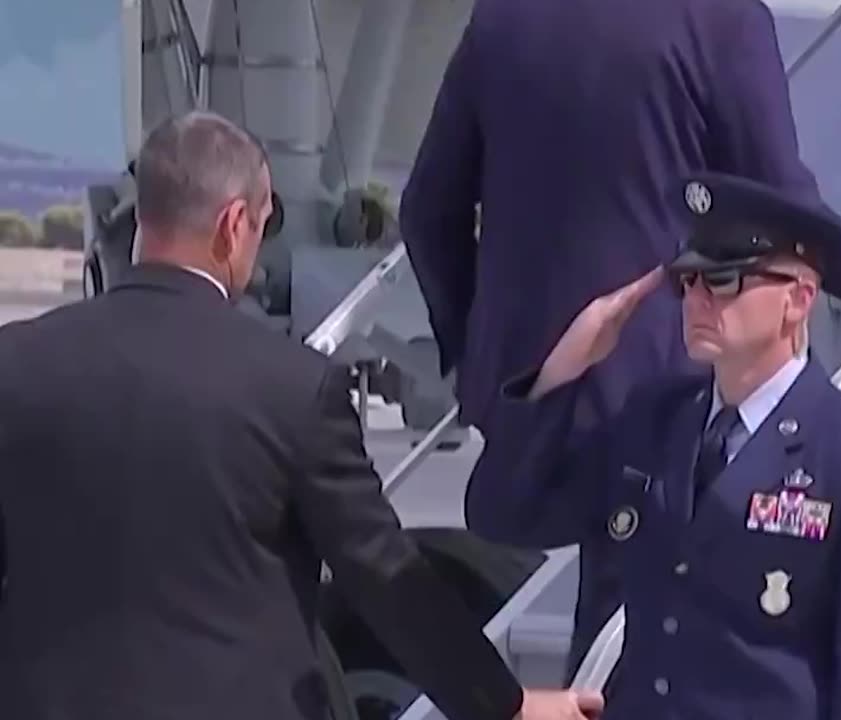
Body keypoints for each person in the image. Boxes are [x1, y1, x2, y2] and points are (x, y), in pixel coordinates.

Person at [399, 0, 841, 683]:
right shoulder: (717, 17)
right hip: (673, 402)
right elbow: (782, 210)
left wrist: (486, 371)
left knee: (614, 658)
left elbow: (430, 211)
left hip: (551, 402)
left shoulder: (506, 15)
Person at [0, 111, 600, 720]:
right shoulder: (293, 388)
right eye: (260, 227)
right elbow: (383, 575)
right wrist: (507, 705)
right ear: (234, 225)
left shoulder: (15, 366)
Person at [464, 171, 841, 718]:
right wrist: (560, 372)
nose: (697, 300)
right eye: (687, 282)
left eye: (724, 282)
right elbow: (501, 514)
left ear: (799, 300)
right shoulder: (652, 421)